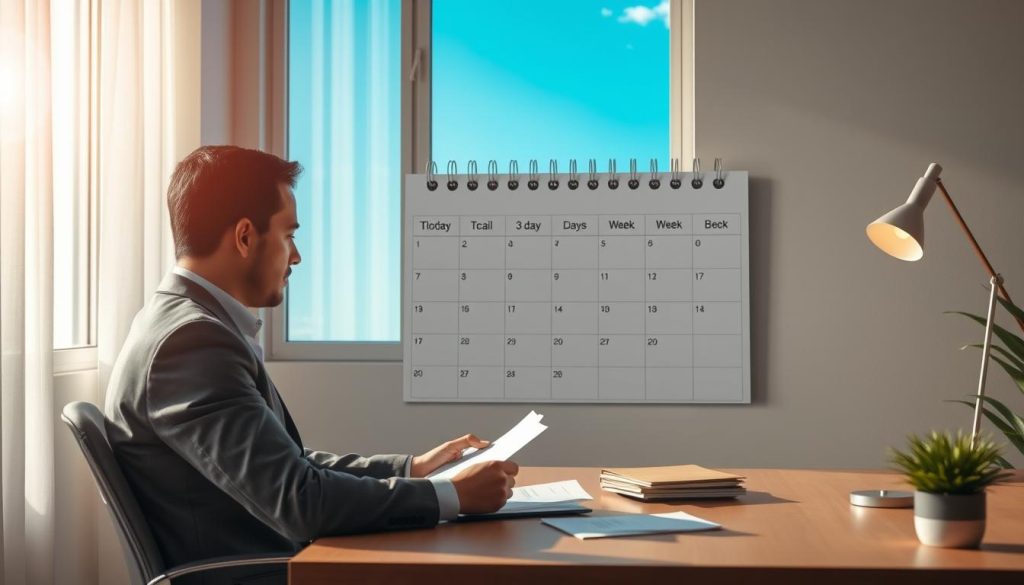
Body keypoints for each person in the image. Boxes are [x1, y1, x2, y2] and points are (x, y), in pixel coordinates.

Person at [104, 145, 518, 585]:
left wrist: (411, 468)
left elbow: (286, 465)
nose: (296, 257)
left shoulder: (182, 324)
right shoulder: (192, 343)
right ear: (245, 237)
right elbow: (299, 500)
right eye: (289, 235)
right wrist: (449, 494)